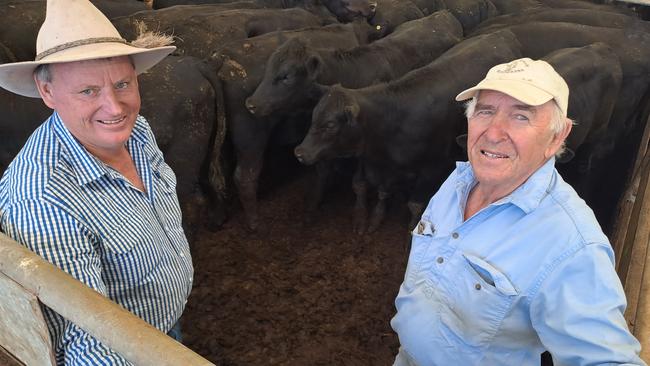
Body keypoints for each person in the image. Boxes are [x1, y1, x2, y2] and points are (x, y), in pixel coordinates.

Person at [390, 58, 646, 365]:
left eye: (521, 116)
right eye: (485, 111)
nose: (494, 133)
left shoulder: (571, 245)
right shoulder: (458, 180)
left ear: (556, 137)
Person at [0, 0, 193, 364]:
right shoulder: (43, 202)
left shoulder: (136, 132)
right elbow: (89, 344)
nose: (115, 107)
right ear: (48, 94)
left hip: (160, 325)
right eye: (88, 91)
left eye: (123, 84)